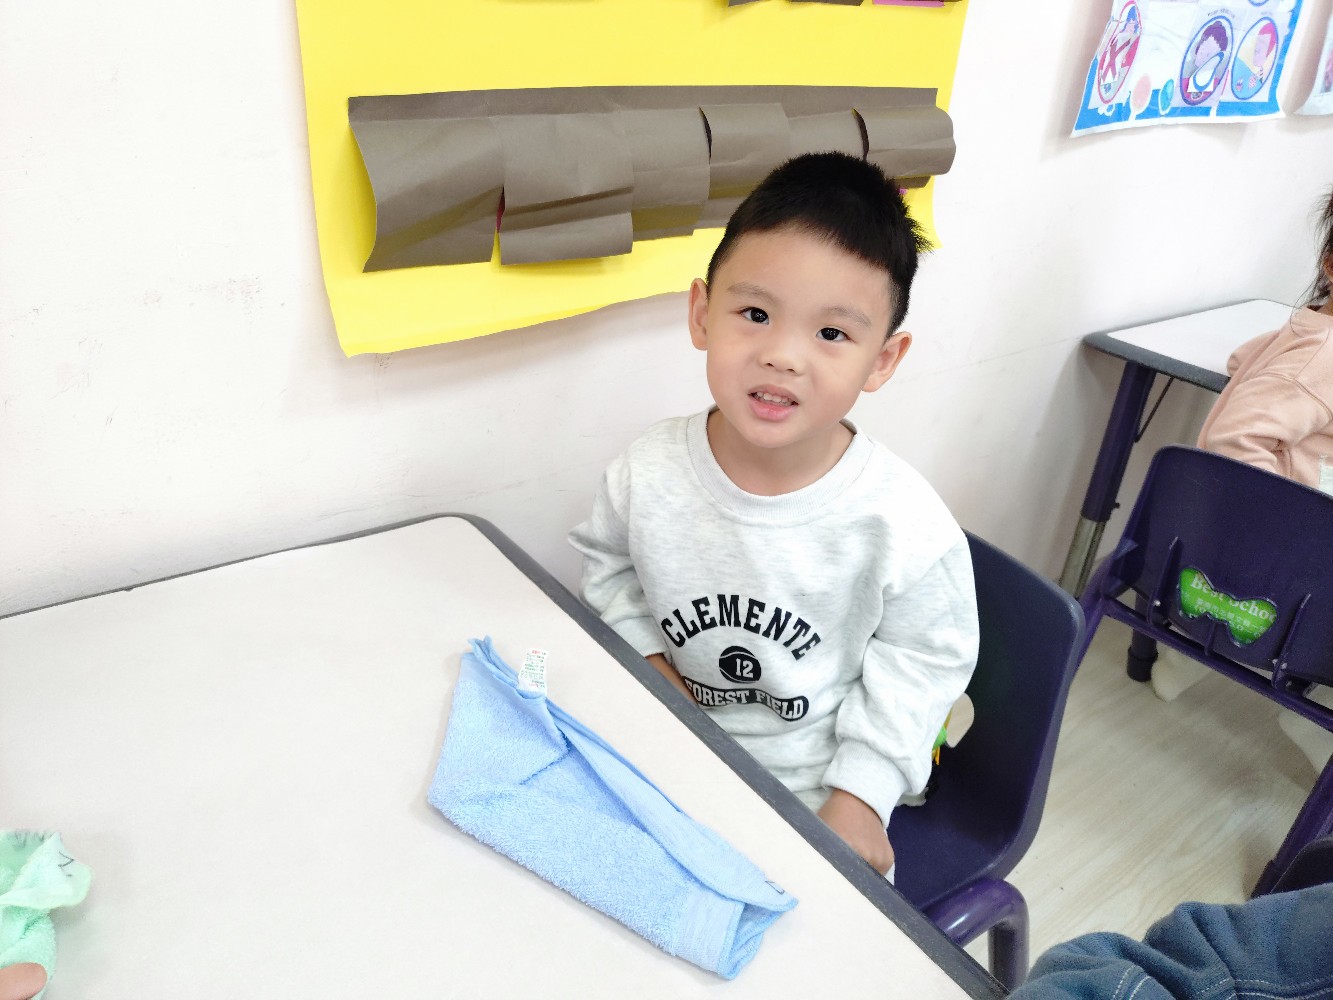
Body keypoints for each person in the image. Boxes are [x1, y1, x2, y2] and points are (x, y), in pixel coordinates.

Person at [568, 152, 979, 877]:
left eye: (832, 334)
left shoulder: (903, 524)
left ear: (882, 361)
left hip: (810, 788)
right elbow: (611, 568)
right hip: (664, 739)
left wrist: (861, 795)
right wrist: (652, 665)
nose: (783, 356)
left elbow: (925, 661)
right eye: (755, 315)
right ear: (702, 314)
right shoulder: (646, 471)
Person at [1152, 188, 1333, 773]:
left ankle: (1184, 658)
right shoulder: (1322, 361)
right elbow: (1235, 440)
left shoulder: (1307, 335)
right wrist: (1291, 523)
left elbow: (1242, 360)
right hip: (1280, 557)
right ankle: (1316, 722)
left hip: (1226, 551)